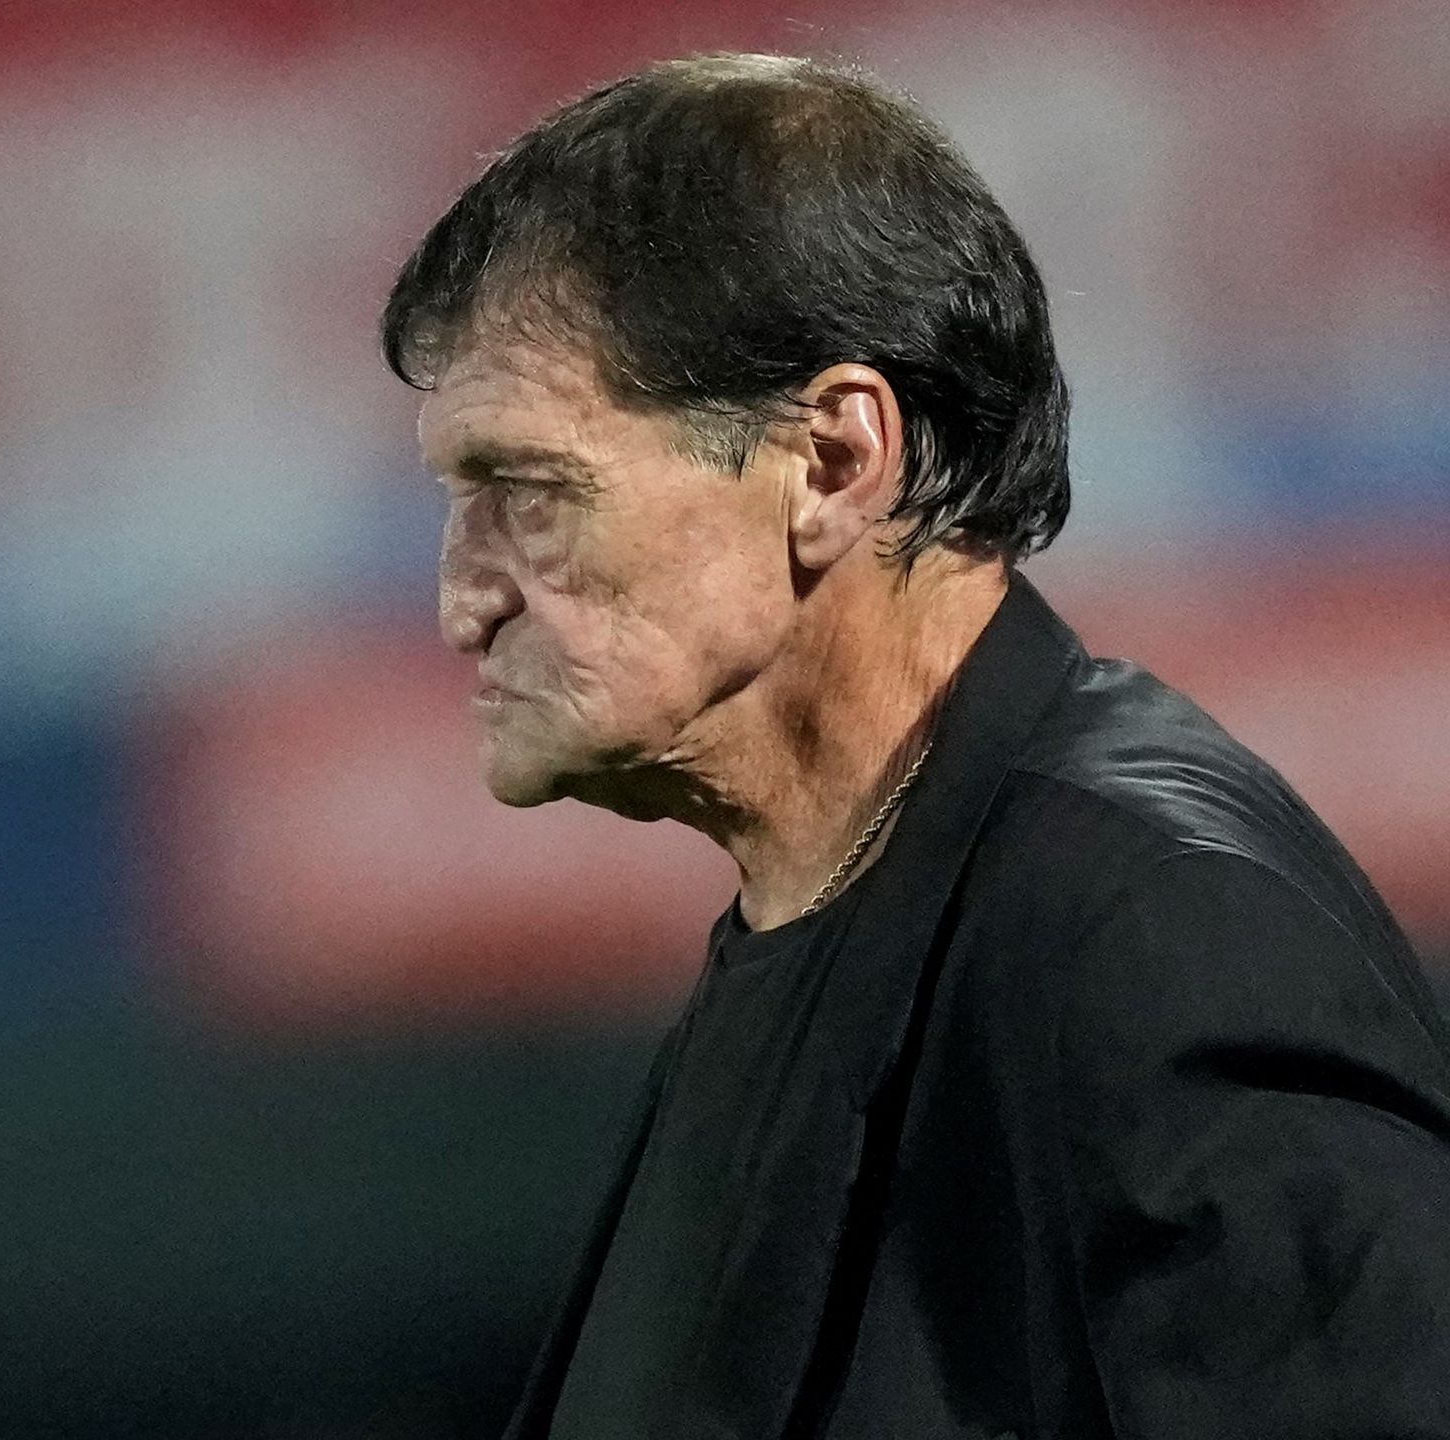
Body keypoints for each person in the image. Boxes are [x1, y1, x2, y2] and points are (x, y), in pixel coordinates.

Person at [378, 52, 1450, 1440]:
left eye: (529, 491)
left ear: (832, 461)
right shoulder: (810, 928)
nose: (463, 598)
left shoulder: (1153, 933)